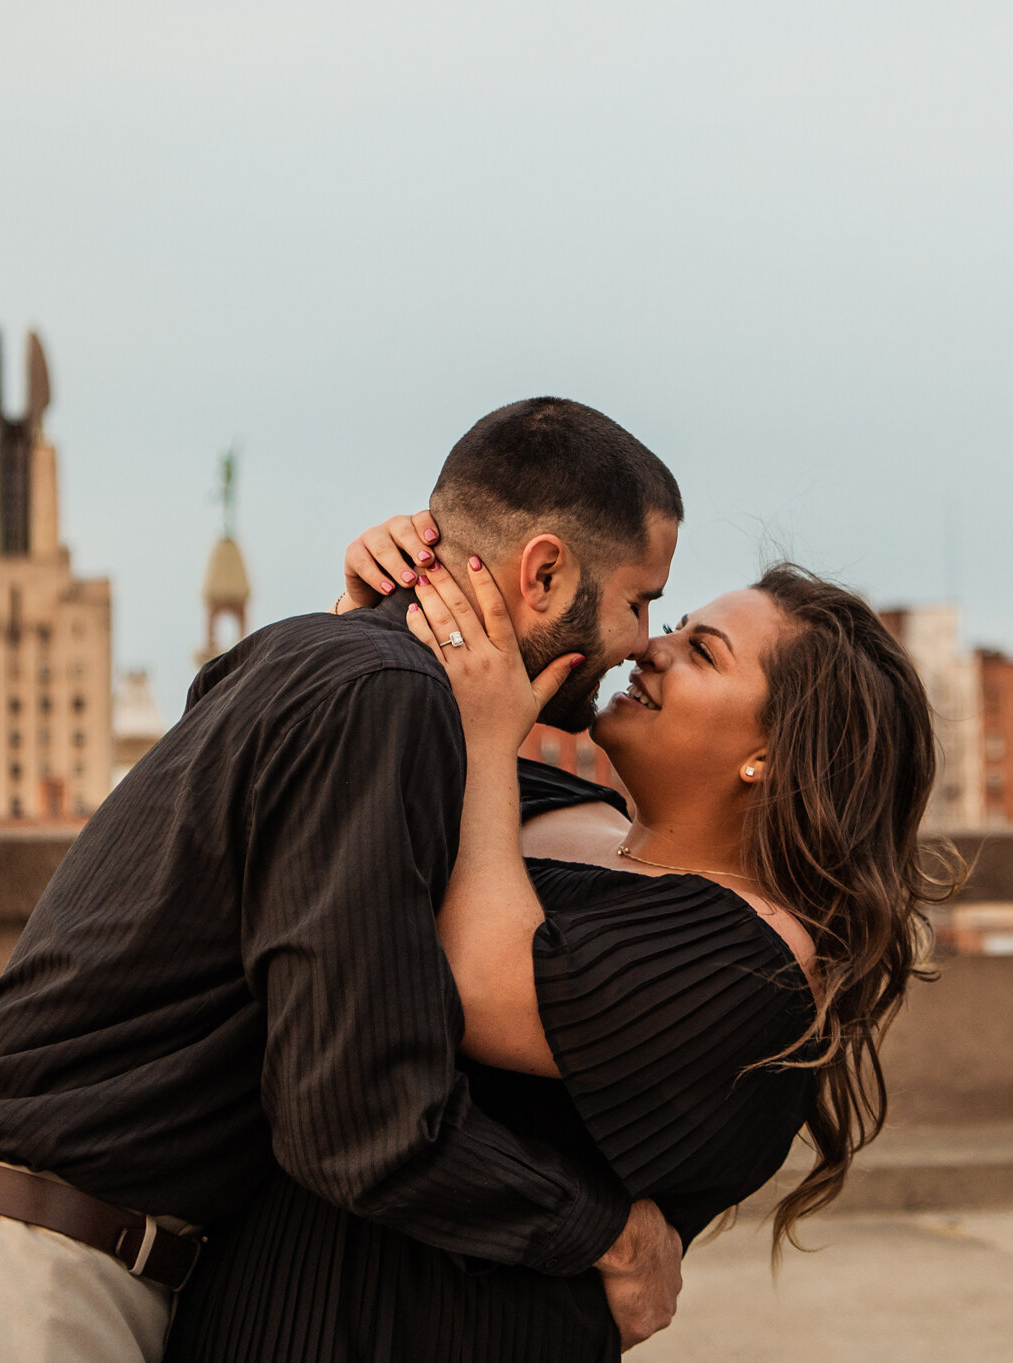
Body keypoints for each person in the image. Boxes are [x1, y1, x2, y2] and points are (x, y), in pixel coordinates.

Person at [0, 398, 688, 1363]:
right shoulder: (381, 695)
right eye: (641, 599)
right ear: (548, 571)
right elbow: (360, 1117)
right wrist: (605, 1230)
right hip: (19, 1282)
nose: (644, 641)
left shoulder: (323, 660)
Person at [163, 516, 960, 1363]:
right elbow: (277, 804)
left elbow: (475, 981)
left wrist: (477, 732)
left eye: (705, 653)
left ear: (770, 752)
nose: (654, 647)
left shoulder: (753, 963)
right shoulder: (540, 795)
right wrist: (375, 625)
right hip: (245, 1314)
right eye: (676, 623)